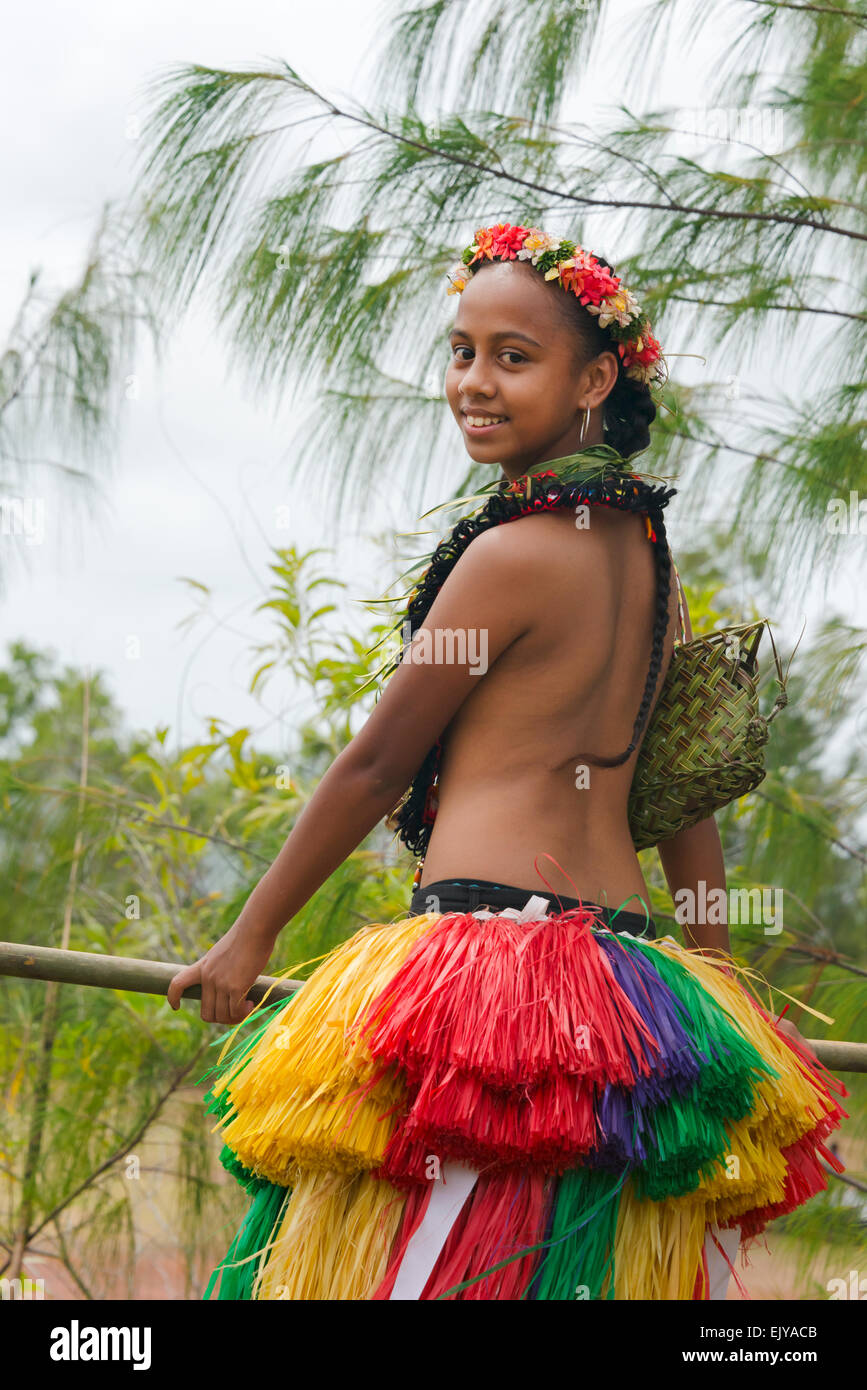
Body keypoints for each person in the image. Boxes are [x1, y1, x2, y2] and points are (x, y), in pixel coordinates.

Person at [167, 222, 846, 1301]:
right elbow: (685, 799)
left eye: (512, 357)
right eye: (462, 350)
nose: (474, 383)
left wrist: (249, 938)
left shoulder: (509, 554)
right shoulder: (650, 568)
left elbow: (377, 761)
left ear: (596, 379)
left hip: (497, 976)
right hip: (629, 995)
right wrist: (715, 993)